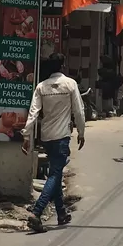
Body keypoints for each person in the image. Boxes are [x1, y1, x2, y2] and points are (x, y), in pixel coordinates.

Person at [22, 53, 85, 233]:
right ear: (63, 66)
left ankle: (61, 213)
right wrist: (81, 132)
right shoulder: (70, 84)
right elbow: (79, 111)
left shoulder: (41, 86)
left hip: (46, 136)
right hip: (62, 136)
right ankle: (37, 212)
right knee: (55, 175)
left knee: (55, 173)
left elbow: (33, 112)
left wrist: (27, 136)